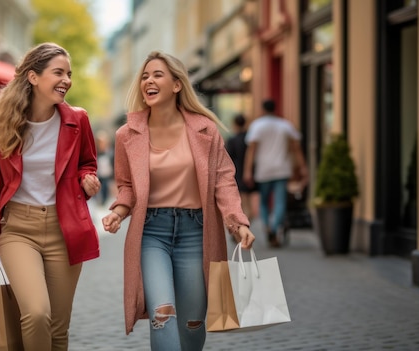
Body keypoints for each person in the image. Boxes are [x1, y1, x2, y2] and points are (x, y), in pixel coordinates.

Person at [101, 51, 255, 351]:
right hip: (151, 233)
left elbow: (224, 180)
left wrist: (237, 223)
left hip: (196, 233)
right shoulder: (127, 135)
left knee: (192, 322)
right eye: (145, 76)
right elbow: (127, 186)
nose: (149, 81)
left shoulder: (205, 131)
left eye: (157, 74)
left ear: (176, 85)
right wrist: (118, 212)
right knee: (163, 313)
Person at [0, 42, 101, 351]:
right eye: (58, 73)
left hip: (64, 228)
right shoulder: (3, 126)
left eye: (69, 74)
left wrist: (86, 178)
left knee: (58, 327)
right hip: (17, 229)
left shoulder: (78, 120)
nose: (66, 80)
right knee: (37, 313)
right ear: (33, 77)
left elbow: (87, 162)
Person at [243, 99, 307, 248]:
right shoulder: (285, 125)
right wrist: (303, 166)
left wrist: (247, 171)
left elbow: (251, 150)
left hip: (263, 170)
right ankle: (274, 228)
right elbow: (296, 147)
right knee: (280, 201)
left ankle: (267, 227)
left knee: (264, 202)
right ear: (275, 109)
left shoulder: (257, 126)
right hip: (282, 169)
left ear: (262, 109)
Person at [225, 114, 259, 221]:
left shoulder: (232, 140)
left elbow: (227, 158)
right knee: (248, 206)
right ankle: (242, 229)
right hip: (251, 174)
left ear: (235, 124)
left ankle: (240, 230)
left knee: (243, 206)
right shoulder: (249, 139)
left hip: (237, 174)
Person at [94, 130, 114, 206]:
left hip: (106, 173)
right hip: (98, 174)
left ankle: (103, 201)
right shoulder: (96, 153)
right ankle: (97, 200)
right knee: (97, 187)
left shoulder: (109, 152)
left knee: (105, 188)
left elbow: (112, 163)